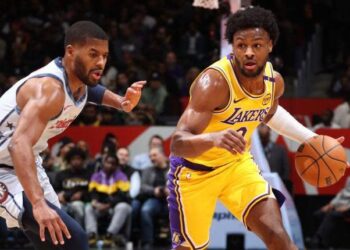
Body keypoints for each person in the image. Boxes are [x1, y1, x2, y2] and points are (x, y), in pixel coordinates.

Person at [169, 7, 347, 250]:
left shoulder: (275, 82)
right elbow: (178, 143)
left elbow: (269, 112)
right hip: (194, 173)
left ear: (270, 45)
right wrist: (213, 138)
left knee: (278, 237)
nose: (249, 52)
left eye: (257, 45)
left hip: (236, 167)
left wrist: (312, 138)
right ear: (232, 46)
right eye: (241, 45)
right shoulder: (214, 82)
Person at [0, 20, 145, 250]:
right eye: (93, 54)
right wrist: (38, 203)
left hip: (26, 163)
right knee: (72, 240)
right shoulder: (50, 90)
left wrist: (123, 103)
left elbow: (93, 92)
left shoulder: (79, 81)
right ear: (70, 51)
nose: (100, 63)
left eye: (105, 56)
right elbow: (18, 144)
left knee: (55, 240)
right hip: (6, 166)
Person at [85, 154, 132, 247]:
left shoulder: (121, 176)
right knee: (88, 207)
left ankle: (109, 235)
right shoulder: (96, 176)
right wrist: (95, 202)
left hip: (113, 208)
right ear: (103, 163)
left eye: (113, 163)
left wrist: (109, 204)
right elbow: (92, 192)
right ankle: (92, 235)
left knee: (123, 206)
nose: (110, 165)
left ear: (116, 165)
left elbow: (123, 195)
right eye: (108, 162)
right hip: (99, 207)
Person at [306, 177, 350, 248]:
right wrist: (331, 204)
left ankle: (318, 241)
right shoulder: (349, 178)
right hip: (340, 205)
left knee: (332, 215)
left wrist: (346, 208)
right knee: (318, 214)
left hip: (347, 208)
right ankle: (320, 239)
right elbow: (342, 193)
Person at [257, 124, 292, 193]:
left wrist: (280, 186)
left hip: (277, 190)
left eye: (262, 126)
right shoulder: (253, 152)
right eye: (258, 127)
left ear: (269, 129)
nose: (260, 129)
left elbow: (286, 171)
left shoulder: (280, 150)